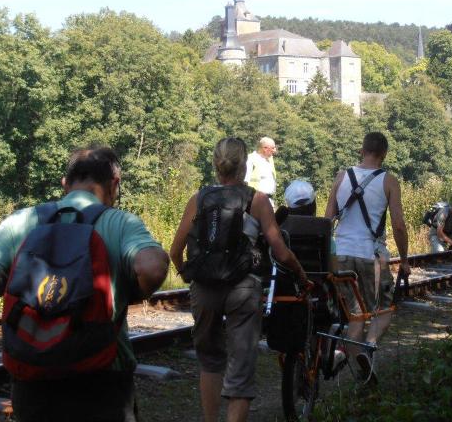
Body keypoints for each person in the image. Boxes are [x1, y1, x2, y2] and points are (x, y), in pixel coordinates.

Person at [0, 146, 169, 422]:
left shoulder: (22, 221)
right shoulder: (121, 223)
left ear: (65, 185)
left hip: (33, 382)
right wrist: (130, 293)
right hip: (103, 379)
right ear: (114, 184)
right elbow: (153, 268)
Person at [170, 137, 307, 422]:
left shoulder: (199, 198)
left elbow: (175, 249)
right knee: (241, 368)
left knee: (209, 361)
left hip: (205, 287)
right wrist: (300, 272)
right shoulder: (257, 200)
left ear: (215, 165)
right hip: (243, 288)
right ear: (244, 166)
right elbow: (280, 252)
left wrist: (187, 274)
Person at [325, 132, 409, 382]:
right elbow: (399, 225)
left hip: (340, 254)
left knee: (355, 313)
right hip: (370, 256)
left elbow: (327, 219)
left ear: (362, 150)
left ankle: (344, 350)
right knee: (384, 308)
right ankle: (368, 346)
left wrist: (327, 254)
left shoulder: (342, 176)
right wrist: (404, 259)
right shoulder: (389, 181)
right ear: (384, 154)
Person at [244, 136, 277, 205]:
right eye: (273, 148)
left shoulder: (270, 160)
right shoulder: (251, 159)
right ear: (265, 148)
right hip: (254, 201)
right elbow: (245, 182)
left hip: (268, 200)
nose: (275, 150)